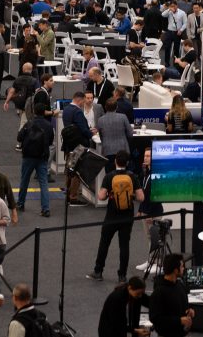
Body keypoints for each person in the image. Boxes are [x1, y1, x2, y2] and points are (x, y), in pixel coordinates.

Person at [86, 151, 144, 283]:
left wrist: (109, 195)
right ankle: (122, 276)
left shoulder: (109, 176)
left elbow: (101, 196)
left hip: (111, 215)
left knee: (104, 243)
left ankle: (98, 271)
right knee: (124, 246)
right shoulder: (133, 176)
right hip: (127, 216)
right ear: (128, 163)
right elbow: (141, 197)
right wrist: (131, 195)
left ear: (115, 162)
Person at [16, 104, 54, 217]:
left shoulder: (29, 124)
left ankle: (21, 203)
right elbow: (51, 141)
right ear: (44, 112)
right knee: (43, 183)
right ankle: (45, 208)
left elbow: (19, 137)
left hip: (28, 157)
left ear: (34, 111)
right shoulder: (48, 125)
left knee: (24, 180)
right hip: (42, 157)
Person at [149, 253, 193, 337]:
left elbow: (182, 305)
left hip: (181, 332)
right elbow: (155, 318)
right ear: (175, 270)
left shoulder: (180, 284)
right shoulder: (159, 292)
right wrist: (179, 321)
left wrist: (189, 310)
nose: (184, 268)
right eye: (182, 266)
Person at [61, 91, 91, 206]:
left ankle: (68, 193)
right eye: (83, 101)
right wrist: (91, 134)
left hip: (69, 144)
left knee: (70, 170)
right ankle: (73, 197)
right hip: (78, 145)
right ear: (80, 100)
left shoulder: (67, 109)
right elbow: (83, 129)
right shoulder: (77, 111)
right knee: (77, 171)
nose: (84, 103)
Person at [96, 100, 134, 173]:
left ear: (105, 107)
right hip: (123, 150)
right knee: (124, 174)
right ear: (116, 107)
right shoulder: (123, 117)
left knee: (110, 175)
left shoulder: (100, 120)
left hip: (107, 151)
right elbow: (130, 134)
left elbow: (101, 137)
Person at [4, 63, 36, 132]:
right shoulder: (34, 80)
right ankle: (20, 140)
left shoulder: (17, 79)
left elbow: (11, 91)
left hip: (19, 104)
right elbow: (37, 93)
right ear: (32, 69)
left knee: (23, 120)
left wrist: (7, 101)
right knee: (24, 123)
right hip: (29, 105)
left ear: (23, 69)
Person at [159, 1, 187, 67]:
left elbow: (185, 23)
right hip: (169, 32)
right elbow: (163, 15)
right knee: (167, 47)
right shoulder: (169, 12)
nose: (173, 7)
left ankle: (176, 63)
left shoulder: (182, 13)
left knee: (176, 49)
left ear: (177, 6)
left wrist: (181, 30)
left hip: (177, 32)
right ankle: (166, 63)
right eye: (172, 6)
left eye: (174, 6)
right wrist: (169, 9)